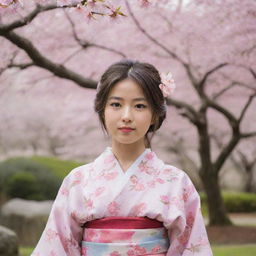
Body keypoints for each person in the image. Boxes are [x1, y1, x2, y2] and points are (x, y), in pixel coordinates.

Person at [31, 59, 213, 256]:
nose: (126, 116)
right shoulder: (78, 180)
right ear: (103, 111)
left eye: (140, 106)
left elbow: (192, 248)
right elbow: (56, 248)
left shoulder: (176, 182)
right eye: (116, 104)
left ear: (154, 115)